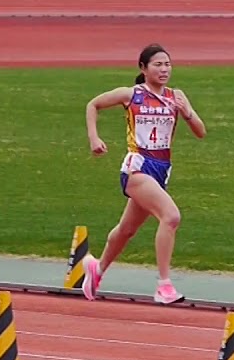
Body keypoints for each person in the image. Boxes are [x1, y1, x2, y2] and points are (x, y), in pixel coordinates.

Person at [81, 44, 206, 305]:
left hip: (161, 170)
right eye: (158, 65)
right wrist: (94, 138)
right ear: (143, 68)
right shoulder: (131, 94)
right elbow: (93, 105)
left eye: (167, 64)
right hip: (137, 168)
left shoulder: (176, 96)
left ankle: (97, 269)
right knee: (171, 217)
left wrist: (187, 112)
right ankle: (164, 285)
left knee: (127, 230)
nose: (164, 69)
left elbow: (200, 132)